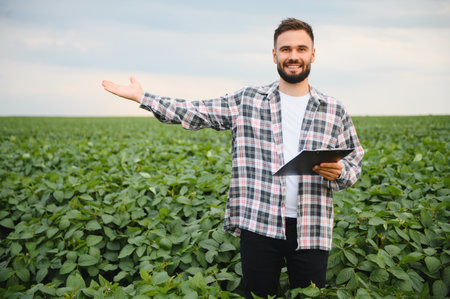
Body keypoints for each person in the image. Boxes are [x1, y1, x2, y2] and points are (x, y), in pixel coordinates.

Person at [102, 18, 364, 298]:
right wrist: (144, 97)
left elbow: (354, 161)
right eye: (286, 49)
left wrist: (340, 172)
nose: (293, 56)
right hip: (259, 223)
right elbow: (196, 111)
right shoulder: (248, 100)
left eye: (301, 49)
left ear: (313, 54)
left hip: (311, 226)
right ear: (275, 55)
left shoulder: (333, 109)